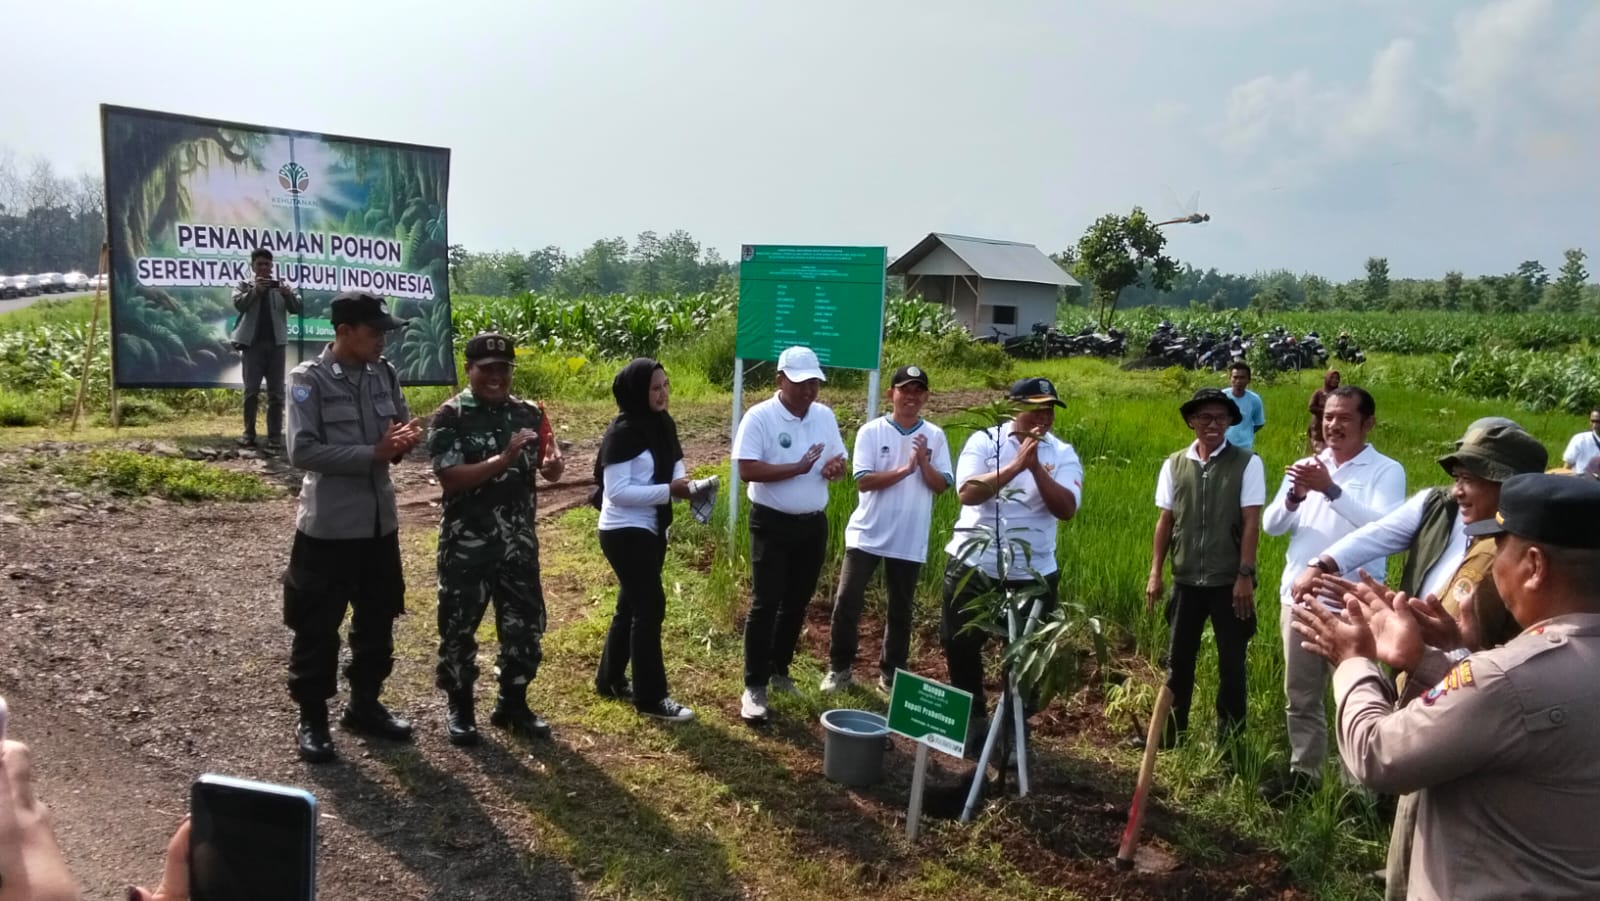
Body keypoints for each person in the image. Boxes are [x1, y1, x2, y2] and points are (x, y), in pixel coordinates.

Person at [1291, 473, 1600, 901]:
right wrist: (1435, 657)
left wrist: (1354, 661)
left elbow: (1377, 753)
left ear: (1533, 566)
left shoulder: (1505, 680)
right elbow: (1511, 717)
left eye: (1497, 547)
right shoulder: (1522, 675)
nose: (1491, 561)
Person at [284, 291, 422, 763]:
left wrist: (401, 442)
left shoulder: (384, 375)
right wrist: (373, 454)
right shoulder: (309, 380)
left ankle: (365, 705)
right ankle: (313, 719)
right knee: (317, 623)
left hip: (379, 525)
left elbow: (395, 437)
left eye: (384, 331)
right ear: (343, 332)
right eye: (374, 331)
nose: (382, 340)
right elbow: (302, 452)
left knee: (378, 618)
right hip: (329, 528)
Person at [1259, 385, 1406, 800]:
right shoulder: (1309, 464)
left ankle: (1358, 789)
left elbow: (1383, 529)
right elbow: (1272, 525)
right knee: (1300, 696)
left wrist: (1330, 489)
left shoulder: (1385, 470)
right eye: (1328, 417)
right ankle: (1305, 773)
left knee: (1354, 695)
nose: (1333, 425)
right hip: (1300, 599)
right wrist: (1294, 494)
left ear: (1368, 423)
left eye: (1343, 418)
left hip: (1352, 605)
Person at [428, 333, 564, 745]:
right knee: (458, 627)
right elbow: (449, 478)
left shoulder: (527, 413)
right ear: (469, 370)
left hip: (518, 544)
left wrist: (553, 464)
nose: (496, 378)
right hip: (467, 544)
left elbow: (549, 469)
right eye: (487, 370)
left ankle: (513, 704)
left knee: (524, 627)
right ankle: (461, 709)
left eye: (503, 370)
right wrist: (502, 459)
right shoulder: (450, 416)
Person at [941, 377, 1082, 745]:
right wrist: (1017, 465)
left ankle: (1012, 728)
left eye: (1049, 408)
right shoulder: (985, 441)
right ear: (1012, 408)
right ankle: (972, 719)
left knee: (1026, 654)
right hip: (976, 560)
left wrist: (1036, 468)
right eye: (1035, 407)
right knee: (959, 641)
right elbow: (969, 493)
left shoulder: (1062, 454)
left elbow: (1067, 508)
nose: (1043, 416)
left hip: (1032, 570)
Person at [731, 346, 848, 723]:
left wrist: (833, 468)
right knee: (766, 603)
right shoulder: (760, 417)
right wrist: (796, 468)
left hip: (812, 523)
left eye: (814, 382)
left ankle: (780, 670)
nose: (808, 390)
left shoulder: (824, 416)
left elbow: (840, 459)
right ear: (780, 380)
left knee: (797, 602)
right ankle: (755, 685)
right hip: (772, 521)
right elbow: (747, 469)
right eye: (800, 383)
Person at [820, 364, 953, 694]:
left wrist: (923, 463)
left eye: (917, 391)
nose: (910, 397)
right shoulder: (872, 431)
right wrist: (906, 468)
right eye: (904, 390)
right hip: (868, 533)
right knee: (847, 600)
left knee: (901, 610)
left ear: (925, 397)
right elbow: (864, 481)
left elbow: (941, 486)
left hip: (909, 537)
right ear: (891, 393)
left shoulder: (934, 436)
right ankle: (839, 668)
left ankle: (891, 674)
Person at [1146, 387, 1266, 749]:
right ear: (1191, 422)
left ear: (1231, 421)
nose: (1213, 424)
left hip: (1229, 581)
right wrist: (1156, 572)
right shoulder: (1175, 463)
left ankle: (1229, 744)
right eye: (1205, 417)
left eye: (1221, 417)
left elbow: (1250, 522)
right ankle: (1170, 738)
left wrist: (1245, 575)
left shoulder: (1247, 462)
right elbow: (1165, 521)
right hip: (1185, 579)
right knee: (1178, 662)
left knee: (1232, 665)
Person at [593, 357, 697, 722]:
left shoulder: (662, 423)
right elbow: (617, 491)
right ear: (638, 391)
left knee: (632, 605)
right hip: (623, 530)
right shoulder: (623, 432)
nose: (663, 393)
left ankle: (608, 680)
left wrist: (687, 485)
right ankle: (651, 698)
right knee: (650, 607)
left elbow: (676, 461)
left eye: (666, 385)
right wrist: (670, 490)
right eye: (655, 388)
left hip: (652, 528)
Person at [230, 248, 302, 450]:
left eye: (267, 264)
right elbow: (239, 305)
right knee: (251, 392)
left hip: (277, 345)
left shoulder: (281, 285)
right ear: (252, 266)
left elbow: (296, 308)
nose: (263, 268)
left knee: (277, 394)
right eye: (259, 264)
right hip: (252, 346)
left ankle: (274, 438)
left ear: (272, 266)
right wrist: (256, 291)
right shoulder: (244, 285)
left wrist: (288, 295)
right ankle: (248, 434)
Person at [1223, 361, 1265, 452]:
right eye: (1235, 377)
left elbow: (1259, 423)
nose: (1238, 381)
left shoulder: (1255, 400)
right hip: (1222, 445)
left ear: (1249, 380)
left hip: (1244, 447)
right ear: (1230, 378)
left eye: (1242, 378)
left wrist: (1245, 432)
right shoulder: (1222, 396)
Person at [1306, 369, 1340, 452]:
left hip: (1334, 425)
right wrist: (1326, 413)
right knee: (1319, 451)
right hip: (1318, 426)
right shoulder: (1319, 393)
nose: (1335, 380)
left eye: (1337, 378)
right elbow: (1311, 407)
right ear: (1327, 379)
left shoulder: (1339, 394)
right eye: (1332, 378)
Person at [1561, 406, 1600, 476]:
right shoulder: (1579, 439)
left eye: (1598, 422)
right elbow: (1566, 467)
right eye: (1592, 421)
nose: (1594, 425)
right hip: (1581, 480)